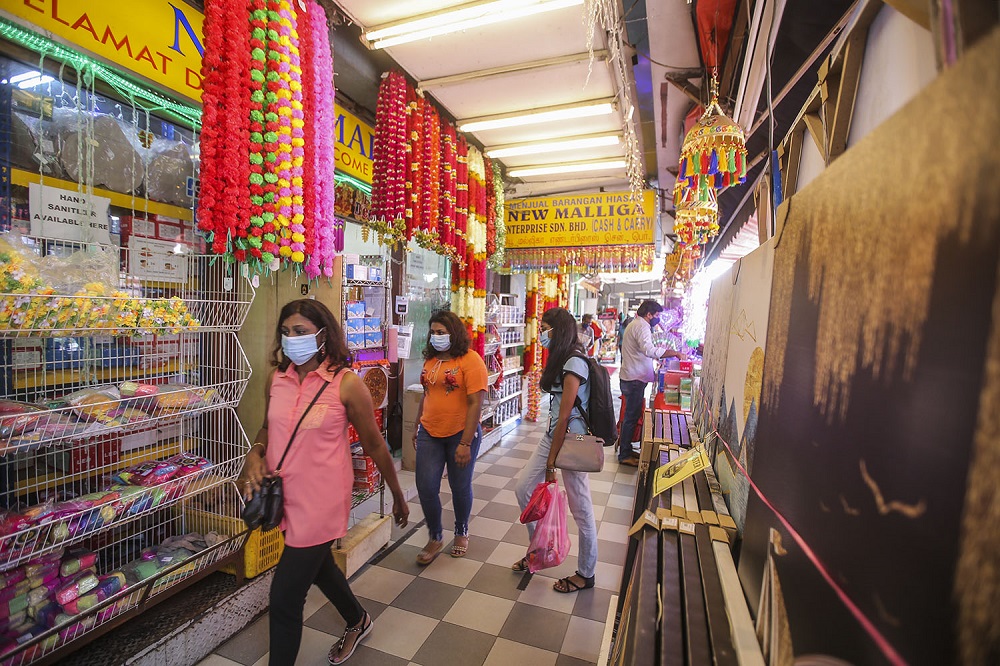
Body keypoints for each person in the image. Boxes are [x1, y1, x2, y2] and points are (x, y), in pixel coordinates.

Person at [241, 299, 409, 666]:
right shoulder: (277, 378)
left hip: (323, 502)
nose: (291, 339)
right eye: (285, 333)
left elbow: (375, 444)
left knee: (285, 597)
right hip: (284, 497)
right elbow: (269, 428)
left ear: (322, 334)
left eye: (300, 332)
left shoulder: (347, 384)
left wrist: (397, 494)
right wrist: (256, 452)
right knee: (319, 568)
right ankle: (357, 619)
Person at [512, 307, 599, 593]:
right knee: (523, 487)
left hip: (572, 442)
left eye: (545, 328)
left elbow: (565, 417)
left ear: (557, 331)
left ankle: (586, 573)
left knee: (581, 509)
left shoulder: (575, 362)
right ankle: (540, 549)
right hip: (553, 436)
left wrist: (551, 464)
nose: (541, 334)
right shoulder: (561, 359)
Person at [412, 310, 488, 563]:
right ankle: (435, 536)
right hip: (429, 432)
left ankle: (461, 530)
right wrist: (416, 425)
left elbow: (475, 402)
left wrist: (466, 442)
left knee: (459, 486)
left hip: (461, 433)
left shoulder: (471, 360)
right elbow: (427, 393)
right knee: (426, 487)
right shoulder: (431, 360)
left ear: (453, 334)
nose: (436, 337)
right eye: (433, 332)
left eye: (441, 333)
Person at [617, 300, 685, 466]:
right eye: (656, 315)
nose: (658, 319)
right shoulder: (641, 327)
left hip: (633, 376)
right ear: (648, 314)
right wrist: (673, 353)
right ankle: (624, 454)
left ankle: (625, 449)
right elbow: (649, 350)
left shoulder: (638, 325)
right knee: (631, 418)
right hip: (634, 378)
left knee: (631, 417)